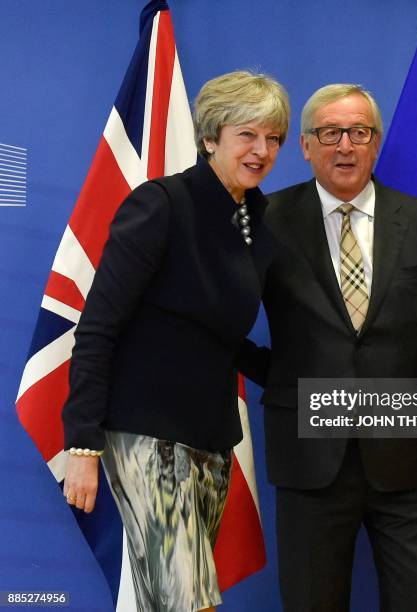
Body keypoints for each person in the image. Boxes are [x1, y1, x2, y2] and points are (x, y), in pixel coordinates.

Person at [239, 84, 417, 612]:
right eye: (330, 133)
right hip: (309, 461)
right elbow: (222, 322)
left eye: (359, 132)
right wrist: (283, 378)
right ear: (305, 145)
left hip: (406, 459)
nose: (345, 146)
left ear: (375, 143)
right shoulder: (266, 221)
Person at [61, 70, 289, 612]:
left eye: (274, 138)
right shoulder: (161, 203)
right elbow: (98, 326)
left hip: (211, 439)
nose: (262, 150)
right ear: (210, 138)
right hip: (145, 433)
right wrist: (82, 444)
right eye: (247, 135)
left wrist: (307, 384)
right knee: (188, 603)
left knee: (169, 601)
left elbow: (217, 335)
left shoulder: (256, 219)